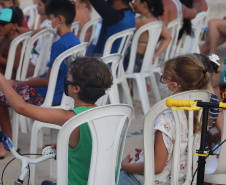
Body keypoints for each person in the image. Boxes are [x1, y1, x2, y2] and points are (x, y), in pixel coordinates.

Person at [0, 56, 113, 185]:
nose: (65, 80)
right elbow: (91, 146)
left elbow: (22, 108)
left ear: (76, 89)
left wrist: (2, 80)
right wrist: (62, 145)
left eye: (68, 78)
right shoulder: (108, 116)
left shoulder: (70, 117)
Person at [0, 0, 80, 159]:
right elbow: (47, 77)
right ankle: (7, 139)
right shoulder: (74, 40)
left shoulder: (59, 44)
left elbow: (46, 81)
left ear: (60, 19)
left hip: (46, 95)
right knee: (5, 90)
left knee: (3, 92)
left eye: (51, 19)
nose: (49, 23)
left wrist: (19, 83)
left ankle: (6, 140)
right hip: (59, 93)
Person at [119, 54, 210, 185]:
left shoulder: (166, 118)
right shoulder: (197, 115)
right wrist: (149, 152)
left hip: (150, 181)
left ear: (174, 86)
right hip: (179, 180)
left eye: (163, 78)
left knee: (116, 175)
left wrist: (126, 166)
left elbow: (156, 167)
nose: (162, 82)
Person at [123, 0, 171, 72]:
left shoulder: (142, 20)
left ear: (144, 4)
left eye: (135, 1)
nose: (133, 4)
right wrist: (155, 55)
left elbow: (121, 26)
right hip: (145, 61)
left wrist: (127, 9)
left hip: (133, 59)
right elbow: (168, 38)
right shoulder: (156, 19)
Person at [0, 8, 22, 78]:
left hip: (10, 77)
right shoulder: (4, 37)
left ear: (15, 26)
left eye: (3, 24)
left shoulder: (14, 41)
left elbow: (15, 65)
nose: (0, 27)